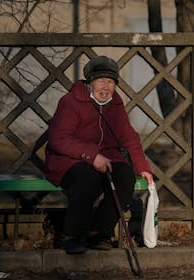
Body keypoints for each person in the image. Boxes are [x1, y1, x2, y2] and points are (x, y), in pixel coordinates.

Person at [43, 55, 153, 254]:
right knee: (88, 179)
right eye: (101, 81)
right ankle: (72, 235)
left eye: (111, 82)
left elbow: (129, 137)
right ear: (90, 83)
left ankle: (99, 232)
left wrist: (142, 167)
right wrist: (91, 155)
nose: (106, 87)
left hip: (105, 158)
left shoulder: (115, 104)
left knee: (125, 177)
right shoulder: (71, 102)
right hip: (69, 159)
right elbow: (59, 139)